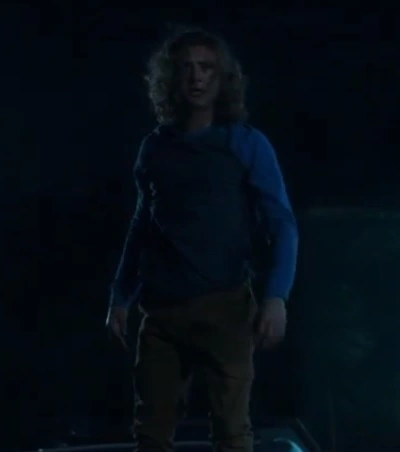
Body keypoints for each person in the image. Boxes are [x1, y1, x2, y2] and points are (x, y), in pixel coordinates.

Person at [106, 27, 298, 452]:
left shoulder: (245, 143)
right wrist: (120, 296)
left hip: (224, 305)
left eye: (206, 68)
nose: (196, 77)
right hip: (162, 310)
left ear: (221, 76)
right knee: (151, 433)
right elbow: (143, 225)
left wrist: (276, 297)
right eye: (187, 68)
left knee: (231, 431)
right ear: (171, 77)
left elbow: (281, 222)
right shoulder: (154, 148)